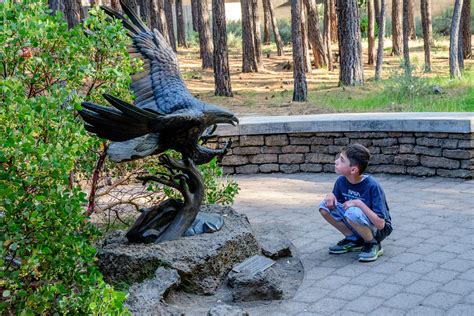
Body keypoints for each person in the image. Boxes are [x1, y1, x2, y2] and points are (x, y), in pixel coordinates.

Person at [318, 144, 392, 262]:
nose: (336, 161)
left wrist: (359, 203)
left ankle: (372, 243)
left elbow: (381, 224)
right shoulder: (341, 181)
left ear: (353, 170)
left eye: (342, 160)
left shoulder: (372, 186)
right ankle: (354, 240)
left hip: (378, 230)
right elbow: (337, 205)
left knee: (353, 212)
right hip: (357, 221)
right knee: (324, 206)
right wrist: (330, 195)